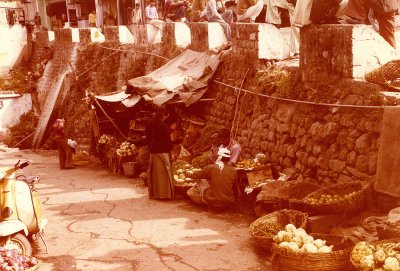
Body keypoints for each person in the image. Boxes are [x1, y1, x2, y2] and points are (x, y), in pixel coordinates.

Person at [145, 108, 175, 200]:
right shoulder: (163, 125)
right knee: (164, 173)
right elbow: (167, 139)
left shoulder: (149, 124)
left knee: (155, 174)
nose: (167, 118)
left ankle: (156, 194)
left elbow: (148, 138)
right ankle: (165, 195)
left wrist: (151, 148)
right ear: (163, 115)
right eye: (166, 116)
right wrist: (171, 151)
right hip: (163, 152)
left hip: (153, 152)